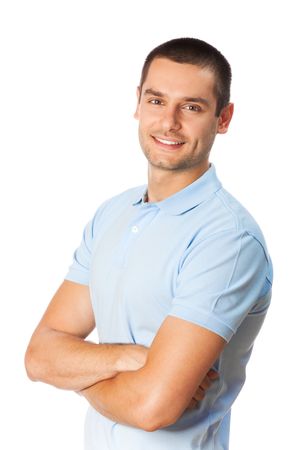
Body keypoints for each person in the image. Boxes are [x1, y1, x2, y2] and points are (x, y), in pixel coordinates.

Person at [25, 37, 273, 450]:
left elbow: (151, 408)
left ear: (223, 118)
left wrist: (74, 374)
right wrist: (132, 359)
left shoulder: (228, 240)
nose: (169, 122)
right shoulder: (113, 213)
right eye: (157, 101)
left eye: (192, 107)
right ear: (138, 103)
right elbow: (38, 355)